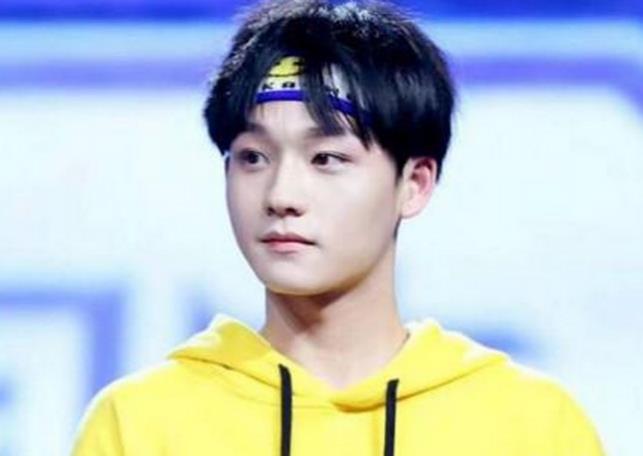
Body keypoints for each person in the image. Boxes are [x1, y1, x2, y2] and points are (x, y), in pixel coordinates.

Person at [71, 1, 605, 455]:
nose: (281, 196)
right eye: (253, 157)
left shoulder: (532, 426)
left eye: (326, 158)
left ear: (415, 182)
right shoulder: (139, 425)